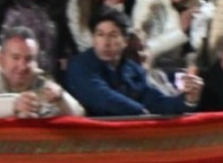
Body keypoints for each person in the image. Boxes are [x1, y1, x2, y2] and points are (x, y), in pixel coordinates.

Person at [65, 9, 196, 116]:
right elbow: (103, 98)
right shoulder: (81, 66)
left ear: (125, 41)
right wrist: (141, 113)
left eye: (113, 35)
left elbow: (153, 99)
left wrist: (187, 100)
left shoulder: (132, 68)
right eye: (100, 35)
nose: (105, 43)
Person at [0, 26, 83, 117]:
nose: (22, 66)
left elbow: (79, 113)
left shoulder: (41, 80)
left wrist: (61, 100)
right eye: (15, 58)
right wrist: (14, 104)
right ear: (1, 58)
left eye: (29, 59)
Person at [130, 0, 212, 73]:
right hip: (155, 73)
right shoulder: (151, 2)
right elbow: (142, 51)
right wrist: (179, 30)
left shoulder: (204, 11)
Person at [1, 0, 62, 75]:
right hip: (22, 71)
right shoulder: (14, 12)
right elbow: (4, 44)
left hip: (50, 73)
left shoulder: (53, 11)